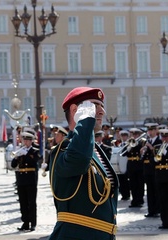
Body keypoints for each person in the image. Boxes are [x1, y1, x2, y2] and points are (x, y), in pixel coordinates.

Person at [48, 86, 119, 240]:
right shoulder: (63, 149)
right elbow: (78, 160)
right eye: (94, 105)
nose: (101, 112)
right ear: (75, 110)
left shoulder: (96, 150)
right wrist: (86, 120)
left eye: (102, 106)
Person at [11, 128, 41, 232]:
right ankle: (25, 222)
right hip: (21, 179)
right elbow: (13, 165)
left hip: (31, 179)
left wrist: (26, 155)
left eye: (28, 140)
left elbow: (34, 162)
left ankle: (33, 223)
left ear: (31, 141)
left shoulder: (35, 151)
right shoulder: (20, 151)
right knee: (23, 202)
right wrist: (16, 157)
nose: (26, 142)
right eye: (25, 140)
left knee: (31, 202)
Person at [141, 122, 161, 218]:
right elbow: (143, 157)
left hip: (155, 169)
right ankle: (151, 210)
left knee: (156, 190)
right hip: (147, 169)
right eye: (148, 130)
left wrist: (151, 148)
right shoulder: (147, 141)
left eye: (151, 130)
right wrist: (142, 151)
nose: (149, 132)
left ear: (155, 131)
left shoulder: (159, 141)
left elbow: (159, 154)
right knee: (149, 191)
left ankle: (157, 209)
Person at [121, 128, 145, 208]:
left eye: (136, 135)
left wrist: (136, 144)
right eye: (133, 134)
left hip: (139, 165)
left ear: (138, 135)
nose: (134, 136)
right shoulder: (129, 142)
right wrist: (128, 147)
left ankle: (140, 200)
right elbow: (123, 153)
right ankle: (134, 200)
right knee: (132, 184)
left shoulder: (142, 142)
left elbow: (142, 152)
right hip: (131, 165)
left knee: (140, 184)